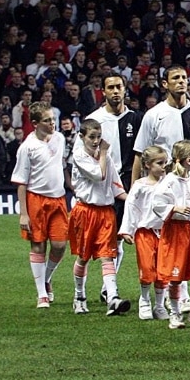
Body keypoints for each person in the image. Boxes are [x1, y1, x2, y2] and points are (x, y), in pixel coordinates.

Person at [68, 119, 130, 316]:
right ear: (82, 137)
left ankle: (112, 297)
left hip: (105, 212)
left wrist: (133, 201)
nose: (96, 141)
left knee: (107, 255)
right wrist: (103, 152)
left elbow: (114, 184)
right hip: (85, 211)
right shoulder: (79, 156)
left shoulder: (106, 157)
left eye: (98, 137)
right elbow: (99, 175)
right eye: (91, 137)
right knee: (83, 257)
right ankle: (79, 296)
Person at [85, 72, 141, 283]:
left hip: (128, 181)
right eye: (111, 87)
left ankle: (109, 285)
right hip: (104, 183)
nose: (116, 91)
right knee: (106, 236)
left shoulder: (136, 118)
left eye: (119, 87)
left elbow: (140, 153)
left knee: (121, 236)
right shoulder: (95, 120)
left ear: (125, 90)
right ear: (103, 91)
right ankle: (107, 285)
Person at [13, 102, 70, 309]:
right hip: (36, 199)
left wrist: (71, 184)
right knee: (38, 244)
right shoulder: (27, 147)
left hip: (58, 198)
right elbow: (21, 182)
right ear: (35, 123)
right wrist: (24, 214)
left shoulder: (60, 139)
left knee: (60, 245)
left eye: (53, 119)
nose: (52, 123)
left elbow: (61, 166)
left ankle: (46, 278)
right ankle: (41, 294)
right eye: (47, 120)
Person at [152, 140, 190, 330]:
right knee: (175, 274)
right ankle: (175, 313)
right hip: (176, 232)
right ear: (188, 160)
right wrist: (174, 208)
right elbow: (157, 204)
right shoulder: (169, 182)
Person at [119, 145, 169, 321]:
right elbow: (131, 207)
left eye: (165, 163)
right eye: (159, 163)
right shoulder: (140, 185)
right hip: (145, 232)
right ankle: (145, 300)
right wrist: (127, 230)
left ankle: (160, 304)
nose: (163, 166)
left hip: (165, 232)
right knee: (147, 267)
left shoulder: (169, 183)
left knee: (163, 269)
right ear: (147, 164)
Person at [132, 65, 190, 185]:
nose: (181, 81)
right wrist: (134, 188)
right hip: (162, 182)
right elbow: (140, 153)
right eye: (176, 78)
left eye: (184, 78)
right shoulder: (153, 115)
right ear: (165, 84)